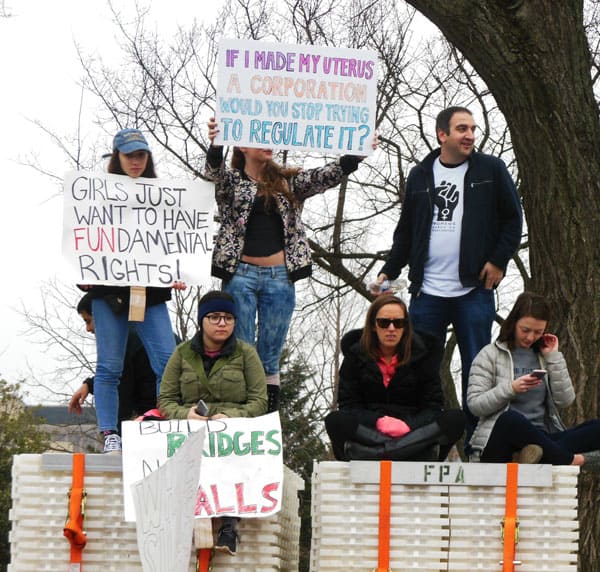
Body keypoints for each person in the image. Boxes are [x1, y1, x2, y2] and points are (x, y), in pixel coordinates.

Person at [204, 118, 376, 412]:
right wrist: (216, 142)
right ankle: (241, 414)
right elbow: (213, 174)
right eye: (260, 137)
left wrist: (353, 157)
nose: (268, 142)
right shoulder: (232, 182)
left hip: (279, 278)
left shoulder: (288, 182)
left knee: (269, 354)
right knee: (241, 351)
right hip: (240, 276)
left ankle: (268, 416)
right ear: (243, 145)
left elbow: (324, 176)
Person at [377, 106, 523, 441]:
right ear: (443, 134)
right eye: (462, 129)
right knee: (418, 367)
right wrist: (389, 269)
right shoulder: (420, 174)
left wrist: (499, 260)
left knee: (477, 370)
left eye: (472, 128)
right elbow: (406, 231)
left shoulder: (491, 169)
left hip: (474, 291)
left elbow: (512, 220)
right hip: (427, 292)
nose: (470, 135)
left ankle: (479, 441)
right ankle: (421, 438)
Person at [79, 128, 186, 453]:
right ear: (117, 157)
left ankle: (164, 422)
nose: (136, 161)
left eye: (141, 155)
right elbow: (84, 241)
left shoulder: (163, 196)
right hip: (109, 295)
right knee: (109, 367)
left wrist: (178, 270)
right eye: (129, 155)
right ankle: (110, 432)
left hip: (149, 294)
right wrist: (83, 273)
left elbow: (174, 243)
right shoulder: (97, 196)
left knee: (167, 363)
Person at [159, 290, 267, 555]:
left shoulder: (246, 354)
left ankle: (228, 525)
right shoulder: (183, 353)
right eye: (215, 317)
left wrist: (232, 418)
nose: (222, 323)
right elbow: (166, 399)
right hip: (191, 432)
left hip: (232, 434)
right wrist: (186, 414)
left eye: (228, 318)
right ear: (201, 320)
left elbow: (260, 401)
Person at [324, 294, 466, 461]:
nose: (391, 328)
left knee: (455, 419)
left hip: (411, 432)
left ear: (405, 327)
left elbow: (432, 407)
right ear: (373, 326)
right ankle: (406, 451)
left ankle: (380, 453)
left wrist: (407, 425)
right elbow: (349, 406)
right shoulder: (355, 355)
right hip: (372, 433)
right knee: (335, 420)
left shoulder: (423, 355)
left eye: (398, 323)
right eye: (384, 322)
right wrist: (378, 422)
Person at [467, 292, 600, 468]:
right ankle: (571, 460)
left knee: (596, 427)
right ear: (514, 323)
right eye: (525, 330)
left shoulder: (545, 356)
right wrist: (511, 388)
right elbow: (475, 405)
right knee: (511, 419)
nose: (530, 337)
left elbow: (565, 401)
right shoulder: (489, 354)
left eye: (538, 332)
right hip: (500, 443)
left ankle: (533, 456)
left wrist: (553, 358)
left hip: (541, 440)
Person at [68, 293, 166, 422]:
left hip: (153, 416)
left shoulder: (123, 341)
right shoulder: (143, 333)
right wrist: (90, 384)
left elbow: (121, 389)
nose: (88, 329)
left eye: (88, 321)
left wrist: (117, 432)